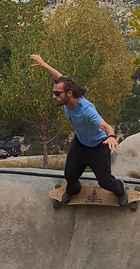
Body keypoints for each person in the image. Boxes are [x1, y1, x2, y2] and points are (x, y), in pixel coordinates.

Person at [30, 54, 128, 205]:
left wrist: (112, 136)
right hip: (80, 144)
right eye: (53, 92)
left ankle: (120, 190)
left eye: (57, 94)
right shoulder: (67, 91)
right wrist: (44, 64)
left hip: (98, 147)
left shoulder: (86, 110)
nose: (54, 96)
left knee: (105, 182)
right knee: (69, 176)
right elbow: (59, 77)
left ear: (69, 94)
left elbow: (105, 125)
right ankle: (73, 190)